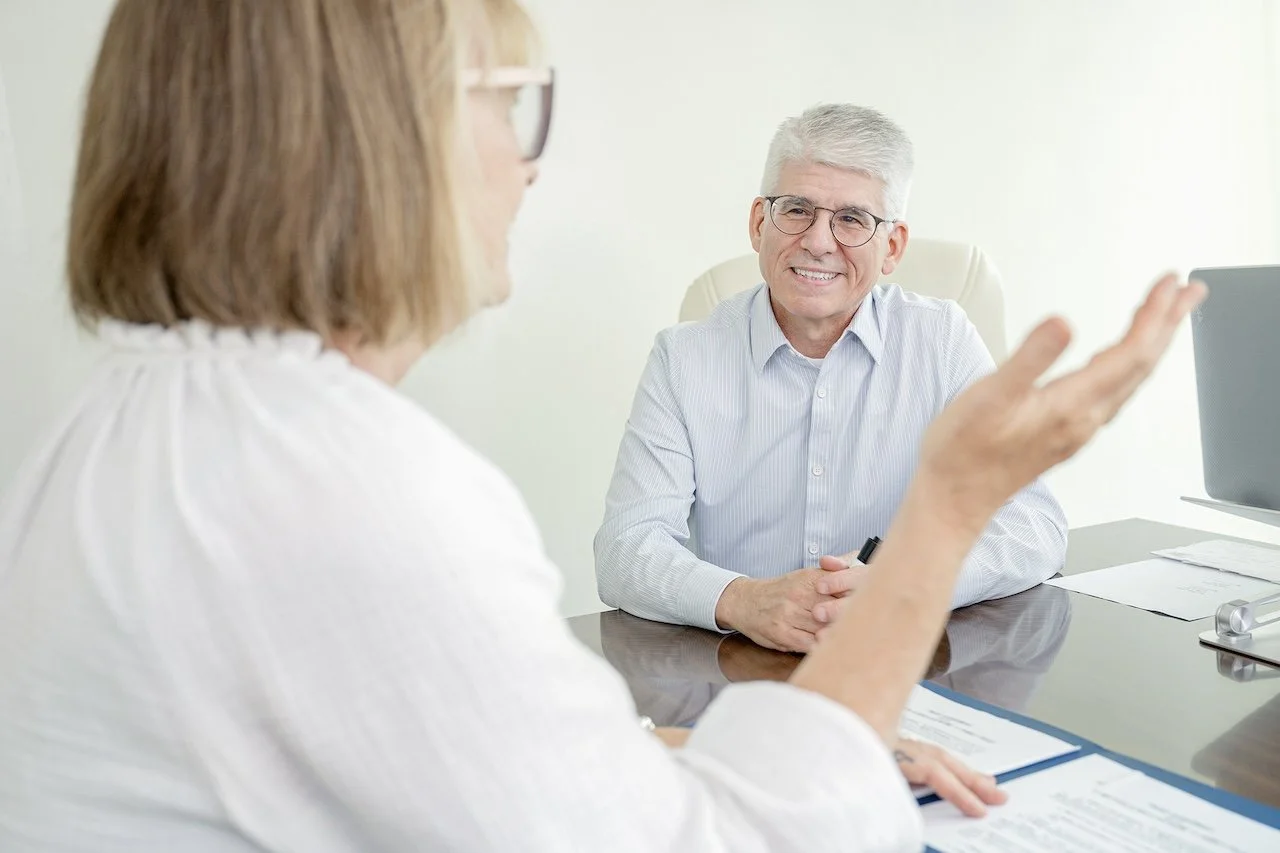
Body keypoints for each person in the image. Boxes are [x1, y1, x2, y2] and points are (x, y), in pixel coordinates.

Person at [0, 0, 1203, 850]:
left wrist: (698, 747)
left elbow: (427, 755)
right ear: (376, 137)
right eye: (516, 108)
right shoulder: (356, 494)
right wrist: (938, 513)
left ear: (889, 243)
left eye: (852, 221)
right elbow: (749, 842)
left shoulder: (131, 432)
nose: (527, 170)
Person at [595, 103, 1068, 654]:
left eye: (852, 219)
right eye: (796, 209)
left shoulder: (942, 341)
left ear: (891, 247)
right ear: (758, 223)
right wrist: (743, 599)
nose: (819, 241)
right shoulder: (684, 358)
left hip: (900, 670)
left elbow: (1035, 526)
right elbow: (627, 547)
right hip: (740, 673)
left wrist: (904, 582)